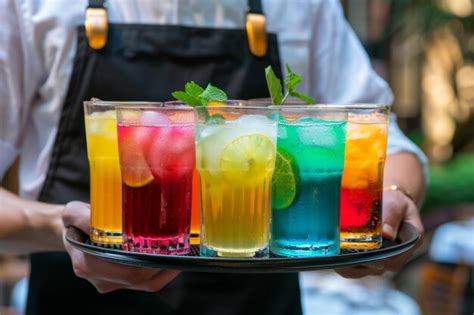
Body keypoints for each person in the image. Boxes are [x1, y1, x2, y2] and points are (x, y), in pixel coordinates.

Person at [0, 0, 427, 314]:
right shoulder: (33, 6)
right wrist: (63, 227)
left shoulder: (303, 7)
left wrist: (392, 198)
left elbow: (388, 143)